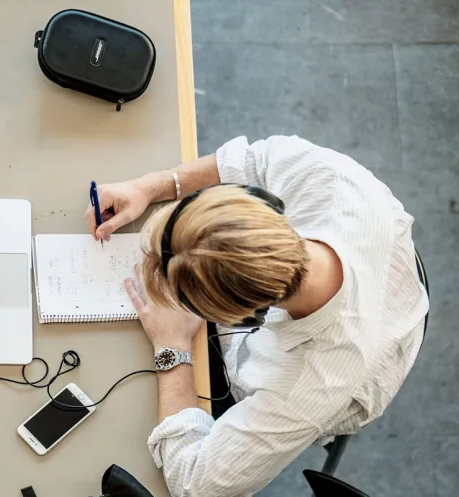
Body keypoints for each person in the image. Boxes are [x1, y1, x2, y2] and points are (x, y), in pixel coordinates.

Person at [87, 136, 428, 497]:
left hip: (359, 365)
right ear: (257, 202)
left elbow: (195, 484)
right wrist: (149, 186)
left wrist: (173, 348)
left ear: (237, 319)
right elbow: (252, 159)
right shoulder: (331, 181)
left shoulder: (307, 383)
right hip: (383, 288)